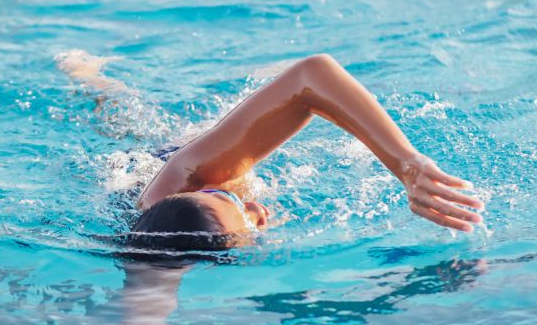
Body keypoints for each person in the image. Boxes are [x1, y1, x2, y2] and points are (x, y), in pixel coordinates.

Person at [58, 51, 484, 250]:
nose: (259, 212)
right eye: (250, 223)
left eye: (232, 200)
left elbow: (313, 73)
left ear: (198, 189)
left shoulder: (196, 170)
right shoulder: (166, 241)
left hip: (164, 155)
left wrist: (408, 165)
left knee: (124, 118)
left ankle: (85, 73)